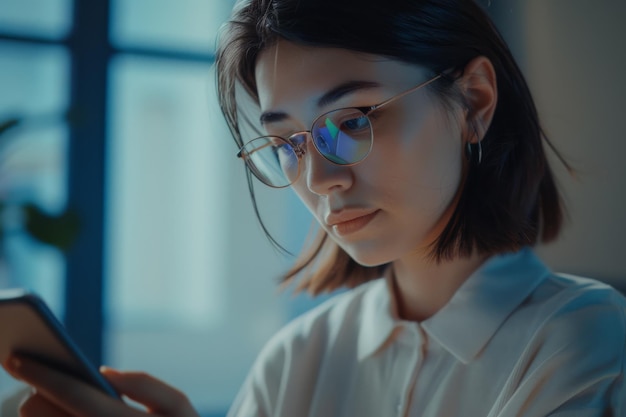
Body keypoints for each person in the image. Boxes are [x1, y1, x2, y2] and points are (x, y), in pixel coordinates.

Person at [2, 0, 625, 416]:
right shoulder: (298, 357)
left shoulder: (585, 340)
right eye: (284, 144)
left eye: (351, 121)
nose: (320, 178)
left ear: (474, 101)